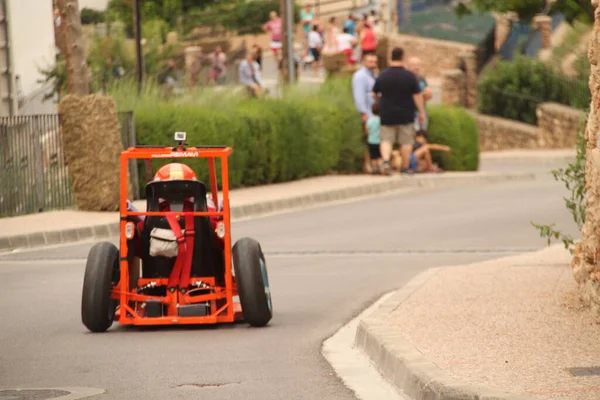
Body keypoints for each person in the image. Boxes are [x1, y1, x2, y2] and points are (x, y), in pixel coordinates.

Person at [372, 47, 426, 175]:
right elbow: (417, 95)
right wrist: (421, 111)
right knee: (406, 141)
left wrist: (381, 100)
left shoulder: (383, 75)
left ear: (391, 57)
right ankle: (405, 167)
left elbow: (374, 93)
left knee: (386, 139)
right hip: (406, 113)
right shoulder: (409, 76)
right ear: (403, 57)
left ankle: (385, 161)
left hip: (387, 113)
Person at [352, 53, 378, 173]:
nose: (373, 64)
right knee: (368, 140)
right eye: (370, 62)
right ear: (364, 62)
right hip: (367, 112)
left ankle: (372, 164)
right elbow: (359, 96)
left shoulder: (373, 75)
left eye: (374, 62)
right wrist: (364, 113)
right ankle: (367, 165)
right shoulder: (360, 77)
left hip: (374, 112)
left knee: (372, 140)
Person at [407, 56, 432, 130]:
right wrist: (422, 94)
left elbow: (428, 94)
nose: (416, 67)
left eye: (418, 65)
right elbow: (411, 95)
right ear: (408, 66)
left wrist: (426, 94)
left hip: (422, 111)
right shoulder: (406, 79)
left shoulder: (421, 78)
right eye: (414, 65)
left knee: (422, 135)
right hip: (411, 112)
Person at [366, 101, 382, 174]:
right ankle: (380, 168)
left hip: (371, 141)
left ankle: (374, 169)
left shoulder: (369, 120)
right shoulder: (381, 120)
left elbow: (367, 130)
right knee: (379, 156)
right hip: (379, 141)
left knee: (373, 156)